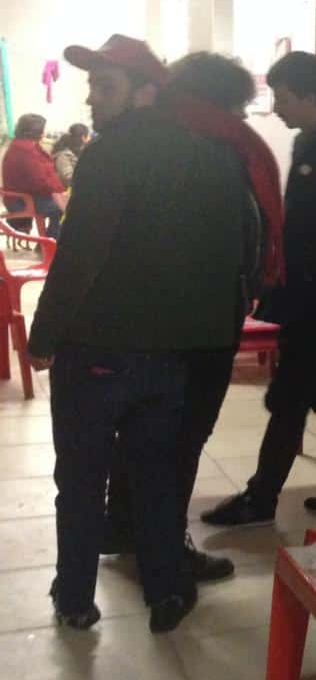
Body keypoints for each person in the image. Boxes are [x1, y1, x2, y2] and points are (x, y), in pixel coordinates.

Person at [27, 34, 249, 633]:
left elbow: (79, 258)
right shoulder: (212, 155)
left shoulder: (109, 154)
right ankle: (167, 591)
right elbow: (231, 256)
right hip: (168, 357)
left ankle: (76, 597)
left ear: (147, 92)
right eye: (92, 85)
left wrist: (43, 337)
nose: (93, 98)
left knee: (82, 478)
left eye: (106, 86)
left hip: (96, 351)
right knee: (155, 477)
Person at [101, 52, 284, 584]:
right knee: (182, 438)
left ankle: (123, 526)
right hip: (199, 325)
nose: (243, 117)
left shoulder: (152, 141)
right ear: (220, 101)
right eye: (239, 105)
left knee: (142, 432)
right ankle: (165, 550)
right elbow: (226, 244)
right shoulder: (215, 153)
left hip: (146, 322)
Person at [202, 51, 316, 527]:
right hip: (310, 296)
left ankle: (261, 497)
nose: (276, 107)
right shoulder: (310, 143)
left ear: (308, 95)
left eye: (282, 96)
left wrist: (307, 291)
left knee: (290, 397)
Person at [2, 113, 67, 237]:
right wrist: (59, 193)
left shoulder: (24, 146)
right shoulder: (26, 150)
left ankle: (51, 240)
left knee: (66, 203)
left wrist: (59, 192)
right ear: (37, 131)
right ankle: (52, 241)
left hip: (27, 196)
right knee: (66, 208)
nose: (45, 131)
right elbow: (39, 182)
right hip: (23, 201)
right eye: (44, 128)